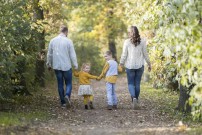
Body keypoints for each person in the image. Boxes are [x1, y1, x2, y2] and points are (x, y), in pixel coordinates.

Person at [119, 26, 151, 109]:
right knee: (137, 83)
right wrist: (149, 64)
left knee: (130, 83)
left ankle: (133, 98)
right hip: (140, 65)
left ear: (130, 33)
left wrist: (121, 63)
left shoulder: (126, 42)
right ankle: (136, 99)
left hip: (130, 66)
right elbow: (145, 54)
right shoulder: (143, 41)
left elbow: (124, 55)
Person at [46, 25, 78, 108]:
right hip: (67, 66)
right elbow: (72, 54)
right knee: (68, 83)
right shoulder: (68, 41)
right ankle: (67, 95)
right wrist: (75, 65)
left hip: (57, 66)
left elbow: (49, 54)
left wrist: (49, 64)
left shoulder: (52, 41)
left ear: (60, 31)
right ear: (66, 32)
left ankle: (63, 103)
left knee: (60, 84)